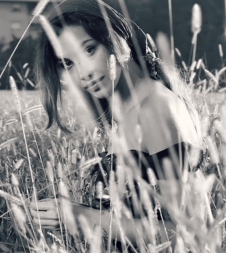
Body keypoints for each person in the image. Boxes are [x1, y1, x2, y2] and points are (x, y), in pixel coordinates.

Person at [29, 0, 203, 248]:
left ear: (116, 38)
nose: (83, 73)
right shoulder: (125, 108)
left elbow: (183, 233)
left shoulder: (155, 108)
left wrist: (83, 217)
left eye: (89, 50)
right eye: (67, 63)